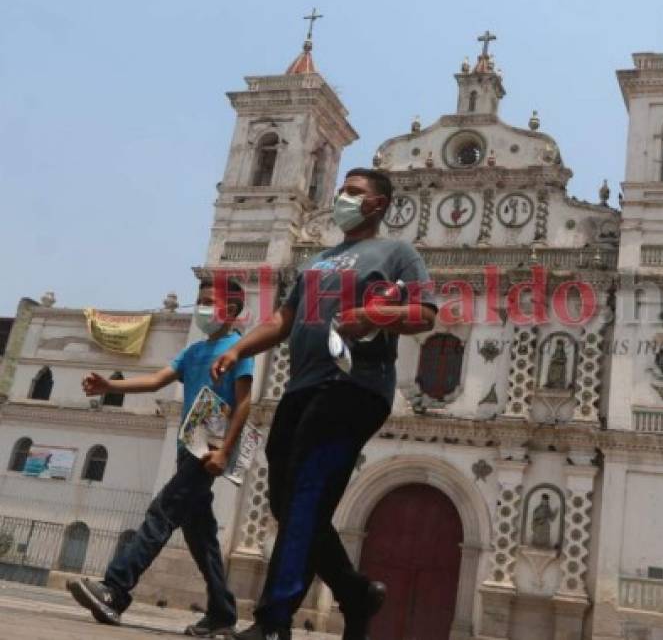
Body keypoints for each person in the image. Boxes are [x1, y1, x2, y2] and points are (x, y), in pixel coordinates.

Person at [211, 168, 437, 640]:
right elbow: (283, 318)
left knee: (308, 493)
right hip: (300, 388)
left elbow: (424, 314)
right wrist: (239, 348)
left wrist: (378, 314)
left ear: (377, 205)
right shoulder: (317, 261)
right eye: (343, 191)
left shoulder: (397, 254)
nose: (342, 198)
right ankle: (356, 594)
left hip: (356, 387)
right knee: (285, 501)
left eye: (354, 193)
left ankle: (274, 620)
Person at [67, 279, 254, 638]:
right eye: (198, 300)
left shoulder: (239, 349)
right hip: (188, 447)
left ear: (230, 311)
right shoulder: (195, 351)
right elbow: (156, 379)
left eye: (208, 301)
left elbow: (244, 402)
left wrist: (225, 451)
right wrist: (110, 387)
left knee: (163, 511)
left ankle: (115, 590)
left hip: (209, 451)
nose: (200, 307)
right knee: (202, 536)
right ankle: (222, 614)